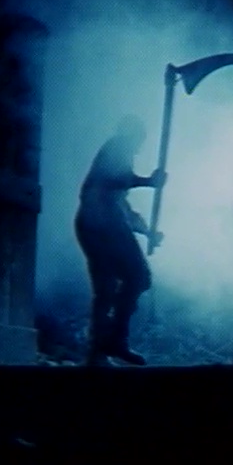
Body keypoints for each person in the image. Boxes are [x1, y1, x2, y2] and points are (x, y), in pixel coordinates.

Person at [74, 115, 167, 366]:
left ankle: (101, 349)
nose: (138, 146)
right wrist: (147, 181)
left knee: (108, 287)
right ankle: (112, 342)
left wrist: (148, 232)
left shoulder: (116, 155)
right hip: (103, 225)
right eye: (139, 139)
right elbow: (111, 181)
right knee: (137, 277)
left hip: (96, 223)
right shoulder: (117, 146)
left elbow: (122, 205)